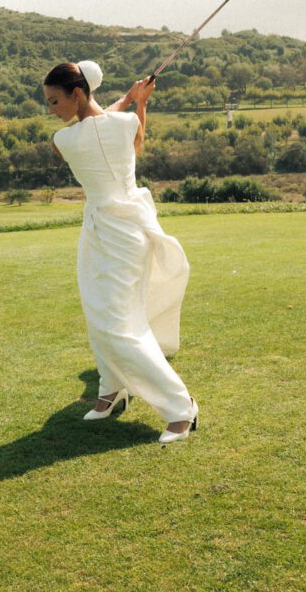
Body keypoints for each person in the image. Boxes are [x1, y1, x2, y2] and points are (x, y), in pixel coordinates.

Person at [43, 60, 198, 444]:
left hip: (123, 234)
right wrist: (137, 102)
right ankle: (111, 390)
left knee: (117, 322)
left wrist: (128, 99)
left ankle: (181, 407)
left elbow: (101, 127)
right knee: (97, 313)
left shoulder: (64, 140)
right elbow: (125, 134)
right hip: (101, 228)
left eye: (54, 100)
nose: (50, 109)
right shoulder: (121, 123)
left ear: (77, 93)